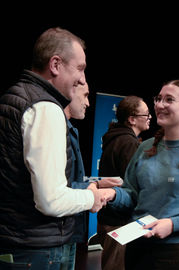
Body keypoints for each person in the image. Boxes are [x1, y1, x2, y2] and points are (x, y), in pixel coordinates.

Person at [0, 27, 105, 270]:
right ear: (55, 65)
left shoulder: (14, 97)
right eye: (79, 68)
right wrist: (92, 197)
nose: (82, 78)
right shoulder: (45, 108)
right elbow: (51, 200)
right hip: (36, 251)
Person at [101, 80, 179, 270]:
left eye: (169, 100)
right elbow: (132, 195)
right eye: (158, 99)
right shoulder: (144, 147)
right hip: (138, 249)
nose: (160, 105)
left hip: (178, 255)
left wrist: (173, 224)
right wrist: (113, 195)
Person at [64, 83, 123, 270]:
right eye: (85, 96)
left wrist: (98, 182)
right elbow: (58, 188)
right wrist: (93, 192)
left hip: (68, 229)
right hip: (58, 230)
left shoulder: (70, 129)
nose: (88, 103)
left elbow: (72, 179)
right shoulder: (58, 128)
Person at [97, 95, 151, 270]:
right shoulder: (128, 143)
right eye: (146, 114)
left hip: (110, 217)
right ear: (132, 119)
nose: (150, 118)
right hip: (120, 221)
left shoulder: (114, 138)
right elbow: (133, 184)